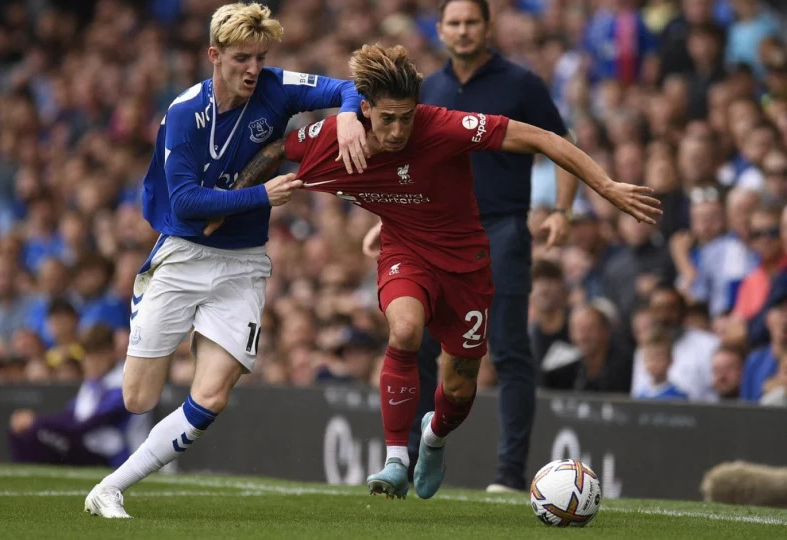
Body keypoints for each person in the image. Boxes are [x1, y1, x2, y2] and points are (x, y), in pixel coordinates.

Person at [206, 43, 661, 500]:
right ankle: (395, 459)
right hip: (406, 253)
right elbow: (274, 151)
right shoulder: (333, 138)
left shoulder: (442, 125)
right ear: (364, 109)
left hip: (466, 266)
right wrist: (226, 206)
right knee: (404, 331)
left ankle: (433, 439)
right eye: (388, 118)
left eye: (407, 116)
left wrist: (604, 185)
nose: (399, 128)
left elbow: (542, 136)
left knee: (460, 389)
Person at [84, 1, 368, 519]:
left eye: (260, 57)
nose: (253, 69)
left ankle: (110, 488)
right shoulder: (184, 113)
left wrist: (347, 116)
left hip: (242, 263)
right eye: (241, 58)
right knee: (137, 400)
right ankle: (148, 301)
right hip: (183, 255)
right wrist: (263, 197)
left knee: (212, 397)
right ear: (214, 55)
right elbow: (188, 202)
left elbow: (349, 86)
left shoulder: (277, 86)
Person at [385, 0, 580, 493]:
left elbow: (561, 144)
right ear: (441, 30)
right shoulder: (427, 89)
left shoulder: (520, 83)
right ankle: (404, 459)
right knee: (420, 344)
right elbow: (404, 163)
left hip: (502, 229)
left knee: (510, 351)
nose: (463, 30)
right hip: (433, 233)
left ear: (486, 28)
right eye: (454, 22)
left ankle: (510, 475)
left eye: (472, 22)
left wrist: (562, 210)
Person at [8, 324, 151, 466]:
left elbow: (88, 424)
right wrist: (33, 421)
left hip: (119, 457)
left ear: (110, 353)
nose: (88, 362)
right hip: (91, 449)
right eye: (87, 355)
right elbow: (71, 415)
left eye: (95, 355)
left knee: (38, 431)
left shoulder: (123, 381)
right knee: (26, 432)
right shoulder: (93, 381)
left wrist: (36, 422)